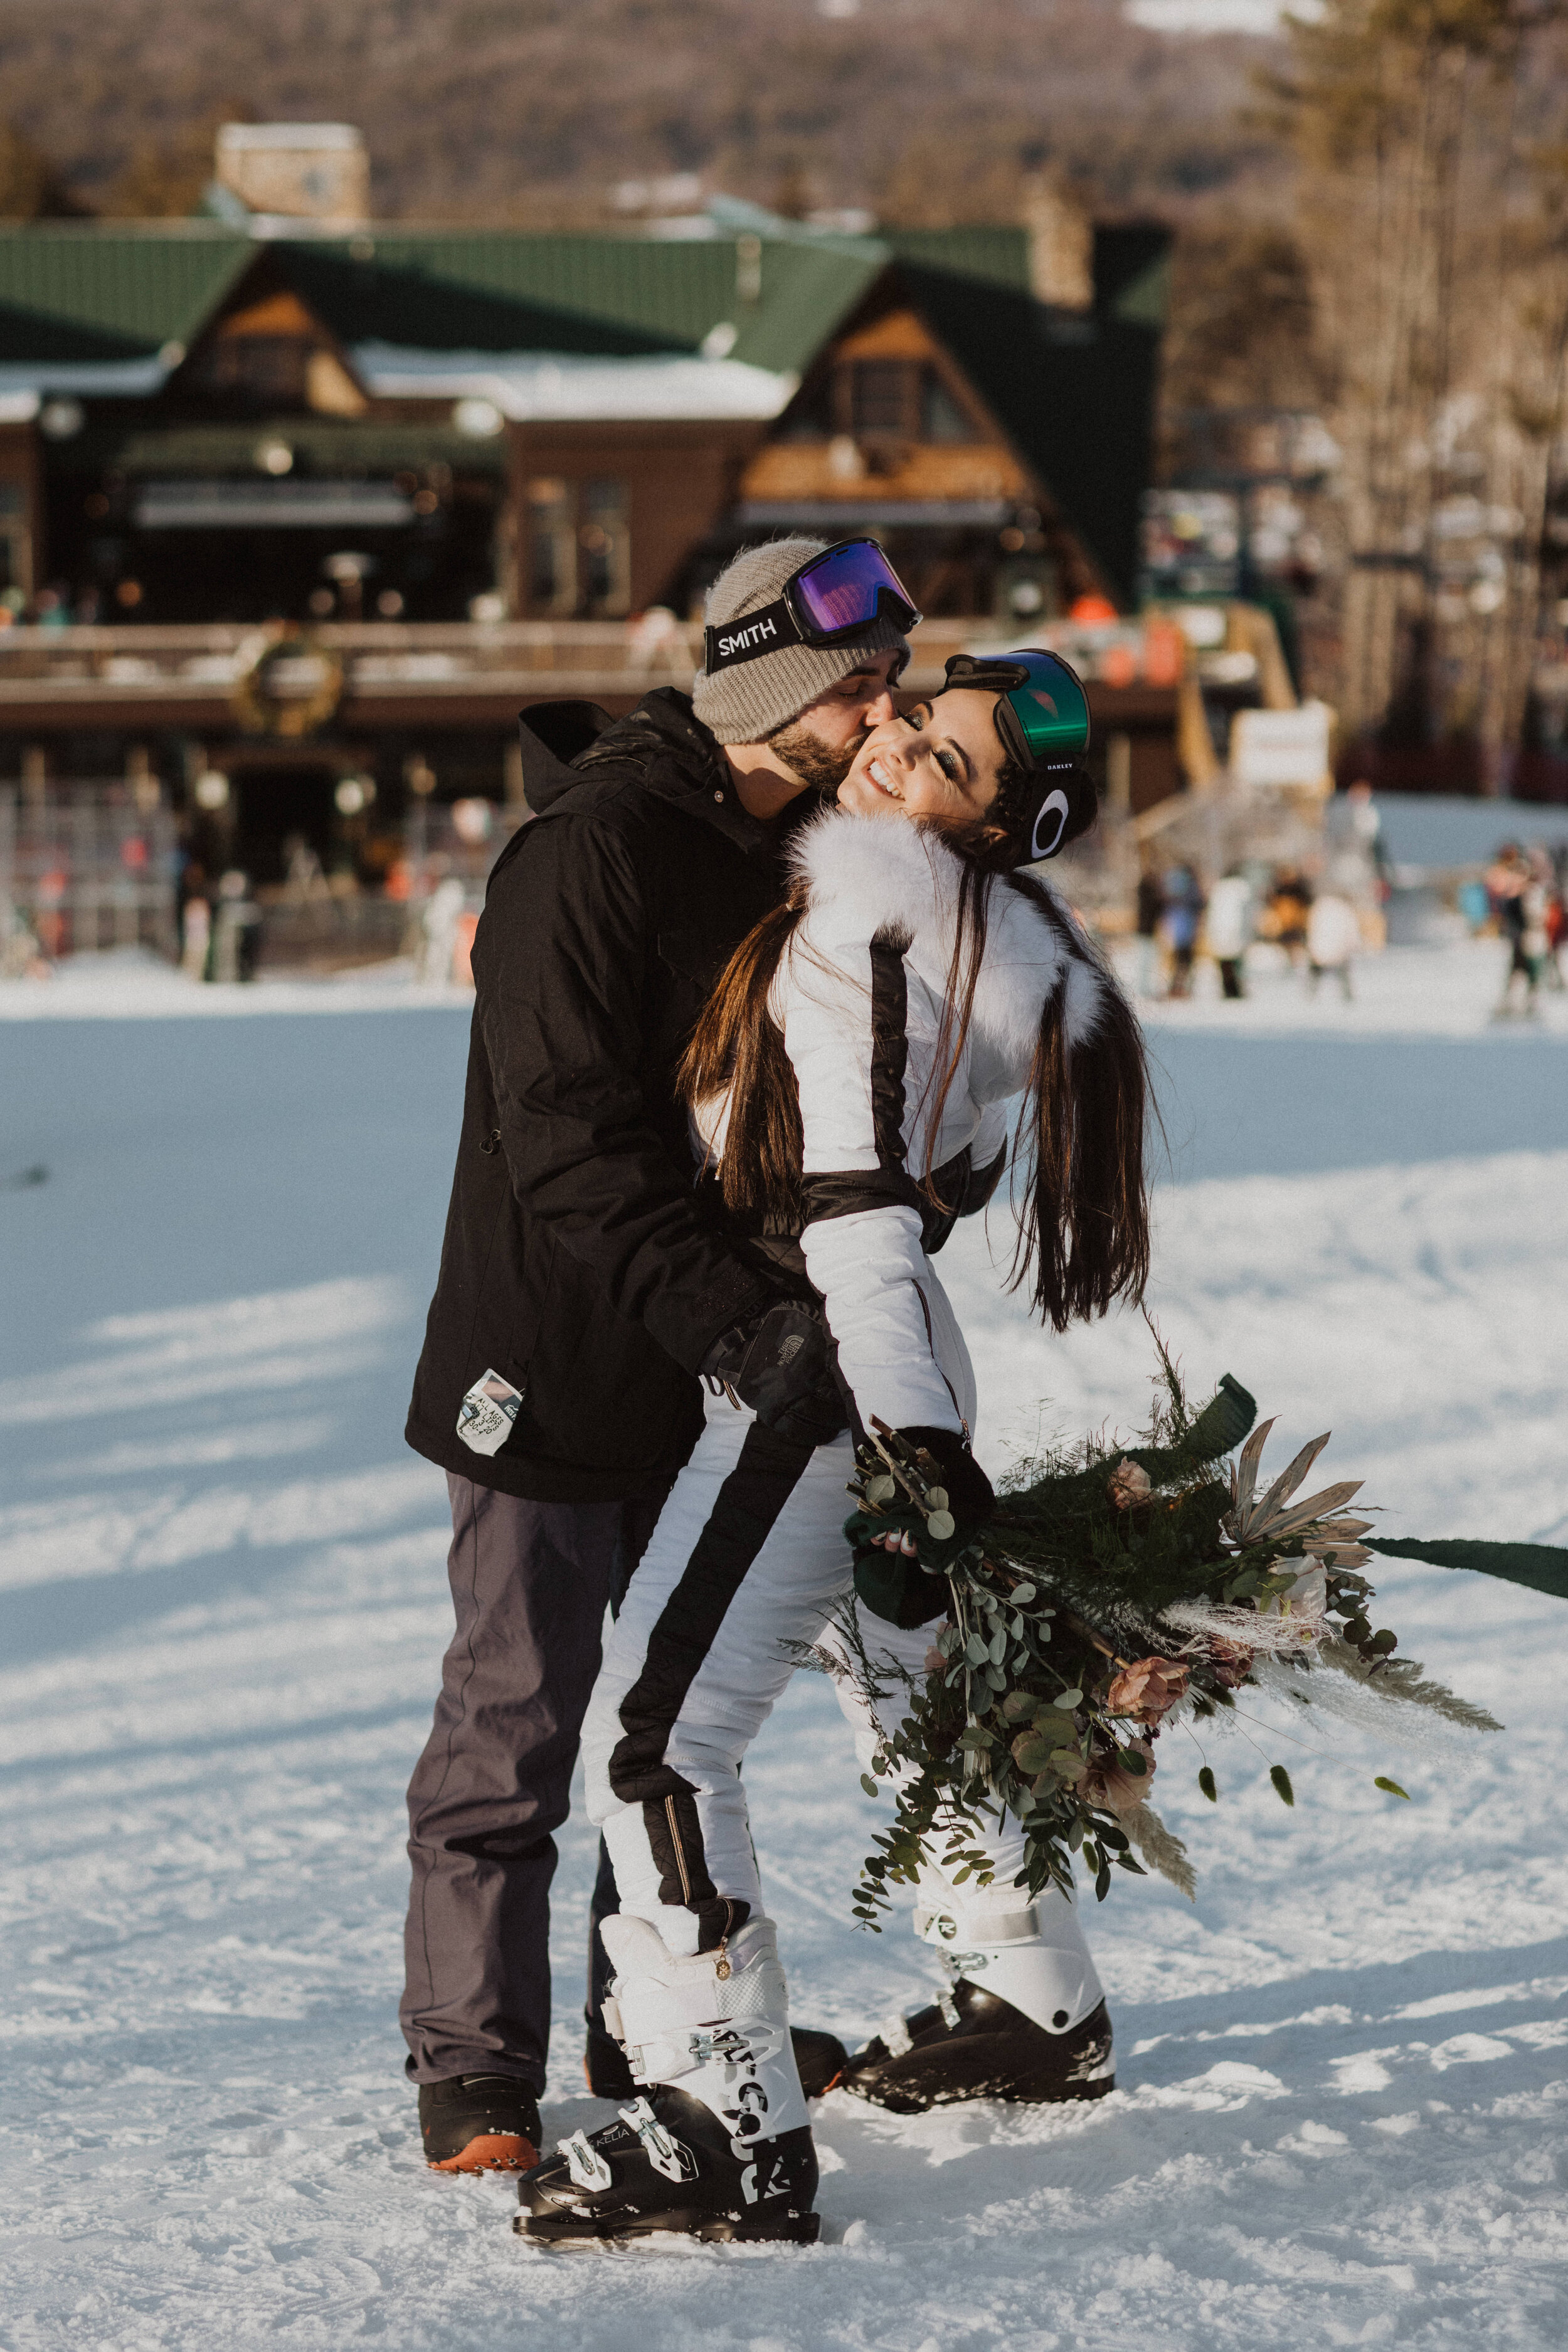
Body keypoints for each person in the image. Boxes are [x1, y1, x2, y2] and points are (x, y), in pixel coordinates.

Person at [516, 650, 1152, 2247]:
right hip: (886, 1351)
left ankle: (719, 2117)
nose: (889, 752)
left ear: (993, 824)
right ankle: (1029, 1993)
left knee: (658, 1738)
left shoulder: (865, 921)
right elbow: (949, 1180)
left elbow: (860, 1207)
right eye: (909, 719)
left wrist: (913, 1441)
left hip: (831, 1367)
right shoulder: (1003, 952)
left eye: (942, 759)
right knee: (914, 1682)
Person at [399, 538, 914, 2175]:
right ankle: (474, 2063)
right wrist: (730, 1316)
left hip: (710, 1361)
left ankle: (658, 2021)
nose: (880, 707)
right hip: (552, 1352)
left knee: (667, 1718)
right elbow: (565, 1135)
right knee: (519, 1712)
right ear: (771, 689)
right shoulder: (588, 856)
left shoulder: (794, 848)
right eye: (856, 685)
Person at [1204, 866, 1253, 999]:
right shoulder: (1240, 891)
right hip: (1234, 933)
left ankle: (1228, 989)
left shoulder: (1219, 890)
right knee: (1236, 963)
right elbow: (1242, 915)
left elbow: (1212, 913)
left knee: (1224, 963)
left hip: (1220, 932)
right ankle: (1235, 989)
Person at [1305, 888, 1360, 1001]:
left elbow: (1311, 931)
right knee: (1343, 974)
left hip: (1319, 952)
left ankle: (1310, 996)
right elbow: (1352, 934)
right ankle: (1347, 997)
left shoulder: (1318, 908)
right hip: (1338, 953)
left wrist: (1311, 948)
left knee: (1315, 973)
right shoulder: (1345, 910)